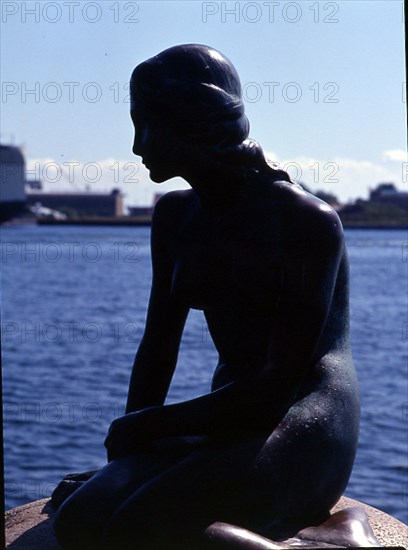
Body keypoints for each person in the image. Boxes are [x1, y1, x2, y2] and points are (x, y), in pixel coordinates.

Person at [53, 44, 360, 550]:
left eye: (145, 124)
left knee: (140, 528)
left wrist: (150, 425)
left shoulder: (306, 223)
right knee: (80, 521)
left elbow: (277, 385)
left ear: (190, 120)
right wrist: (131, 453)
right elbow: (158, 346)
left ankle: (345, 538)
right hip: (228, 415)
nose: (135, 146)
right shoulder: (174, 217)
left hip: (305, 422)